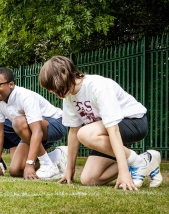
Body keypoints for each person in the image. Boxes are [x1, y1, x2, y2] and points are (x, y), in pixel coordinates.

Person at [38, 55, 162, 190]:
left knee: (84, 133)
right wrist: (70, 170)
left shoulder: (97, 86)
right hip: (107, 132)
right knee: (89, 179)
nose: (53, 92)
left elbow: (113, 129)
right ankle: (145, 160)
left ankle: (135, 164)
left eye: (54, 87)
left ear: (64, 74)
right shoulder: (68, 95)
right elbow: (73, 132)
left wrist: (123, 171)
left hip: (133, 122)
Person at [0, 67, 68, 180]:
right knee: (16, 170)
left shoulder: (24, 96)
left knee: (18, 122)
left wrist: (30, 164)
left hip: (56, 124)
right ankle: (57, 157)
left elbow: (37, 131)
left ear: (11, 84)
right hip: (30, 130)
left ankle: (48, 165)